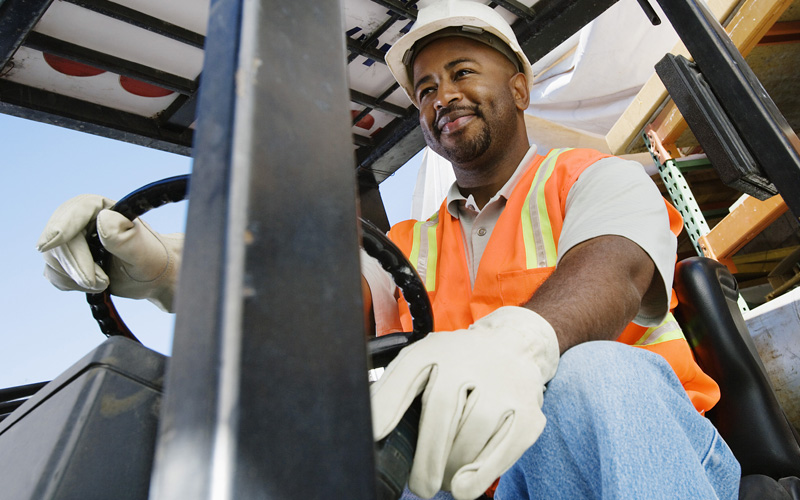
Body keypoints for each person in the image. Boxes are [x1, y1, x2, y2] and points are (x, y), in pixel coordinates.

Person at [37, 1, 740, 499]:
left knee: (591, 379)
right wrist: (164, 266)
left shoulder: (596, 178)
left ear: (521, 87)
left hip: (643, 454)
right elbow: (303, 291)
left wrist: (522, 342)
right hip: (475, 481)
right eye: (427, 88)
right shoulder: (407, 247)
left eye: (463, 73)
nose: (443, 97)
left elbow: (614, 268)